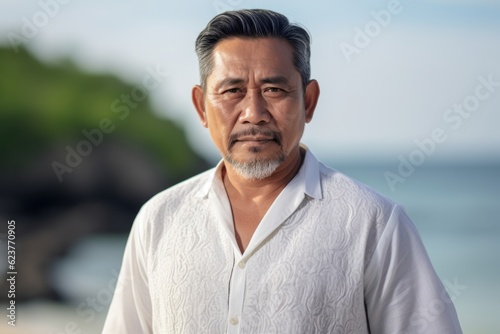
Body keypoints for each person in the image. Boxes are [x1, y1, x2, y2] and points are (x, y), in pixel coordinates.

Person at [102, 9, 462, 334]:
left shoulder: (374, 225)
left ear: (308, 101)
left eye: (274, 89)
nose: (253, 112)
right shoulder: (158, 220)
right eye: (232, 90)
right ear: (201, 106)